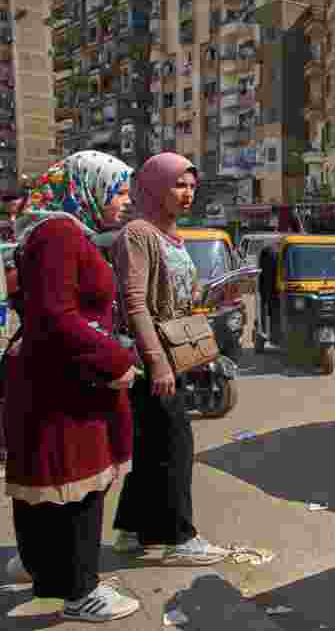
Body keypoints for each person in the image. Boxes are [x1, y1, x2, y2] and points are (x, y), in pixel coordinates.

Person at [3, 151, 141, 622]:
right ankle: (79, 590)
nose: (125, 200)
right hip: (66, 386)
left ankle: (46, 569)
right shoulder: (60, 235)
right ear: (88, 187)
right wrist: (115, 359)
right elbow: (57, 317)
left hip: (55, 378)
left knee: (51, 484)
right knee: (79, 488)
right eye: (119, 189)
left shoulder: (51, 231)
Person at [110, 152, 229, 565]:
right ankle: (179, 538)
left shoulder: (172, 236)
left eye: (192, 186)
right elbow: (135, 303)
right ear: (156, 186)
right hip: (151, 360)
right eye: (179, 184)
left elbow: (182, 298)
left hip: (170, 356)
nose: (187, 193)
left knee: (152, 445)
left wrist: (215, 296)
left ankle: (130, 529)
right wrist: (157, 362)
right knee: (176, 444)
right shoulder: (137, 234)